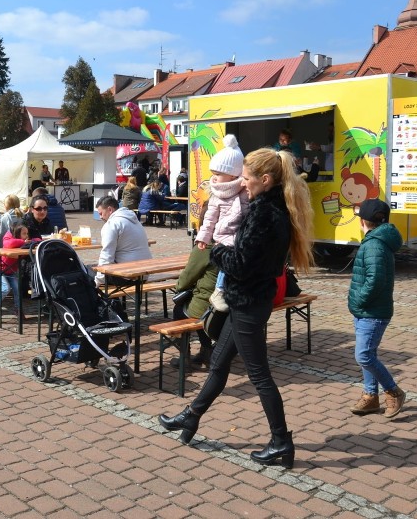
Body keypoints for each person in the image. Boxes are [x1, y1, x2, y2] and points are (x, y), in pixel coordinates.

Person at [159, 148, 315, 470]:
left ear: (265, 180)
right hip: (248, 299)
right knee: (218, 362)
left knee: (259, 375)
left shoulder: (263, 215)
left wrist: (215, 251)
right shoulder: (271, 208)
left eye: (246, 178)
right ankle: (191, 418)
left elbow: (240, 265)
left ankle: (281, 440)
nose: (243, 184)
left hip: (248, 301)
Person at [349, 198, 406, 418]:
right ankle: (370, 397)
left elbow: (375, 280)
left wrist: (358, 301)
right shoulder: (377, 239)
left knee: (364, 355)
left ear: (363, 220)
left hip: (372, 311)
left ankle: (393, 391)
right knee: (368, 353)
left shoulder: (374, 244)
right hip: (368, 310)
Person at [194, 134, 249, 312]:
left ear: (233, 174)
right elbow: (209, 219)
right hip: (224, 237)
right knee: (227, 261)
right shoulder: (217, 195)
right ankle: (219, 291)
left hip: (240, 235)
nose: (214, 178)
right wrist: (203, 237)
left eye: (218, 174)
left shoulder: (243, 191)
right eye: (213, 174)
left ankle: (230, 289)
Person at [93, 196, 152, 287]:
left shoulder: (111, 224)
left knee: (88, 271)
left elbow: (106, 255)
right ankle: (114, 300)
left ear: (110, 209)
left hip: (127, 277)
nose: (100, 217)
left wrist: (97, 281)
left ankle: (108, 300)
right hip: (144, 274)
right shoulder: (134, 220)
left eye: (101, 213)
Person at [0, 220, 37, 323]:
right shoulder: (9, 237)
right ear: (17, 233)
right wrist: (24, 242)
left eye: (27, 233)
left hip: (10, 271)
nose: (26, 236)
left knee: (17, 290)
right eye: (24, 234)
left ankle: (18, 310)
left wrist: (33, 241)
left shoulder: (24, 241)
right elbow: (8, 244)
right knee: (5, 288)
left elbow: (37, 239)